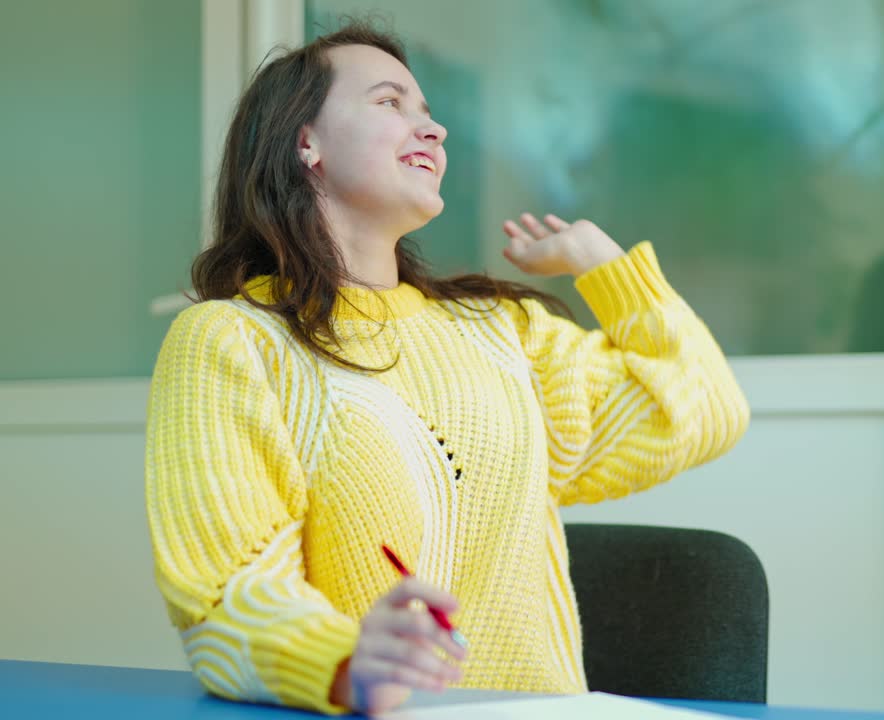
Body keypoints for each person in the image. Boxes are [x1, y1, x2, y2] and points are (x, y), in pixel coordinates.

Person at [144, 21, 750, 717]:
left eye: (430, 114)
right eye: (390, 103)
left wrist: (604, 266)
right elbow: (227, 595)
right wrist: (348, 666)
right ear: (303, 141)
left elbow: (705, 409)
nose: (433, 130)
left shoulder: (502, 331)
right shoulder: (232, 342)